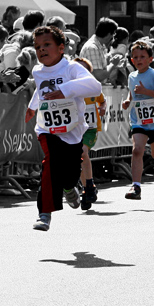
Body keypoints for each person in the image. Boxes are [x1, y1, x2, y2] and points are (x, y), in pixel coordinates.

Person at [24, 26, 101, 231]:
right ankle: (44, 213)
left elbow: (94, 86)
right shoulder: (37, 71)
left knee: (69, 174)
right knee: (49, 164)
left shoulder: (71, 68)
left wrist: (64, 90)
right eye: (37, 46)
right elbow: (41, 92)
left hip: (73, 131)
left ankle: (69, 187)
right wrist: (32, 108)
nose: (41, 50)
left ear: (61, 48)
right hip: (47, 128)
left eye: (47, 45)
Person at [122, 40, 154, 200]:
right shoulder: (131, 76)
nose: (138, 60)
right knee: (137, 150)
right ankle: (135, 186)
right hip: (138, 121)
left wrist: (146, 91)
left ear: (151, 59)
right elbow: (132, 92)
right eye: (135, 57)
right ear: (131, 60)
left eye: (142, 56)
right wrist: (128, 100)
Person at [71, 57, 106, 211]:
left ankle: (89, 185)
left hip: (90, 129)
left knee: (82, 152)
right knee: (77, 159)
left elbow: (102, 100)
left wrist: (103, 107)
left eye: (84, 69)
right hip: (74, 128)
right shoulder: (68, 87)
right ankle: (87, 189)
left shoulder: (93, 87)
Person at [79, 17, 124, 83]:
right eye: (113, 34)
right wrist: (113, 64)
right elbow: (99, 76)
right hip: (90, 91)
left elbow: (102, 71)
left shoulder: (100, 46)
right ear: (109, 34)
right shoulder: (92, 48)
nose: (113, 38)